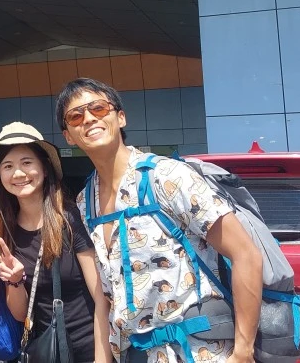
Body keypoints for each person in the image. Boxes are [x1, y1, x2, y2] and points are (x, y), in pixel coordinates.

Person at [58, 78, 263, 363]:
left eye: (99, 108)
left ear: (120, 117)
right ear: (68, 136)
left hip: (199, 351)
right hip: (136, 354)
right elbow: (105, 298)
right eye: (76, 116)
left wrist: (243, 352)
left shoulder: (167, 176)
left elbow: (245, 254)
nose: (89, 118)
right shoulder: (85, 202)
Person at [0, 122, 106, 362]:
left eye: (27, 162)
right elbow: (21, 315)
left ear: (45, 169)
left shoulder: (70, 219)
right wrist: (15, 280)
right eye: (8, 166)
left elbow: (101, 297)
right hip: (44, 352)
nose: (18, 173)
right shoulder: (4, 231)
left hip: (90, 349)